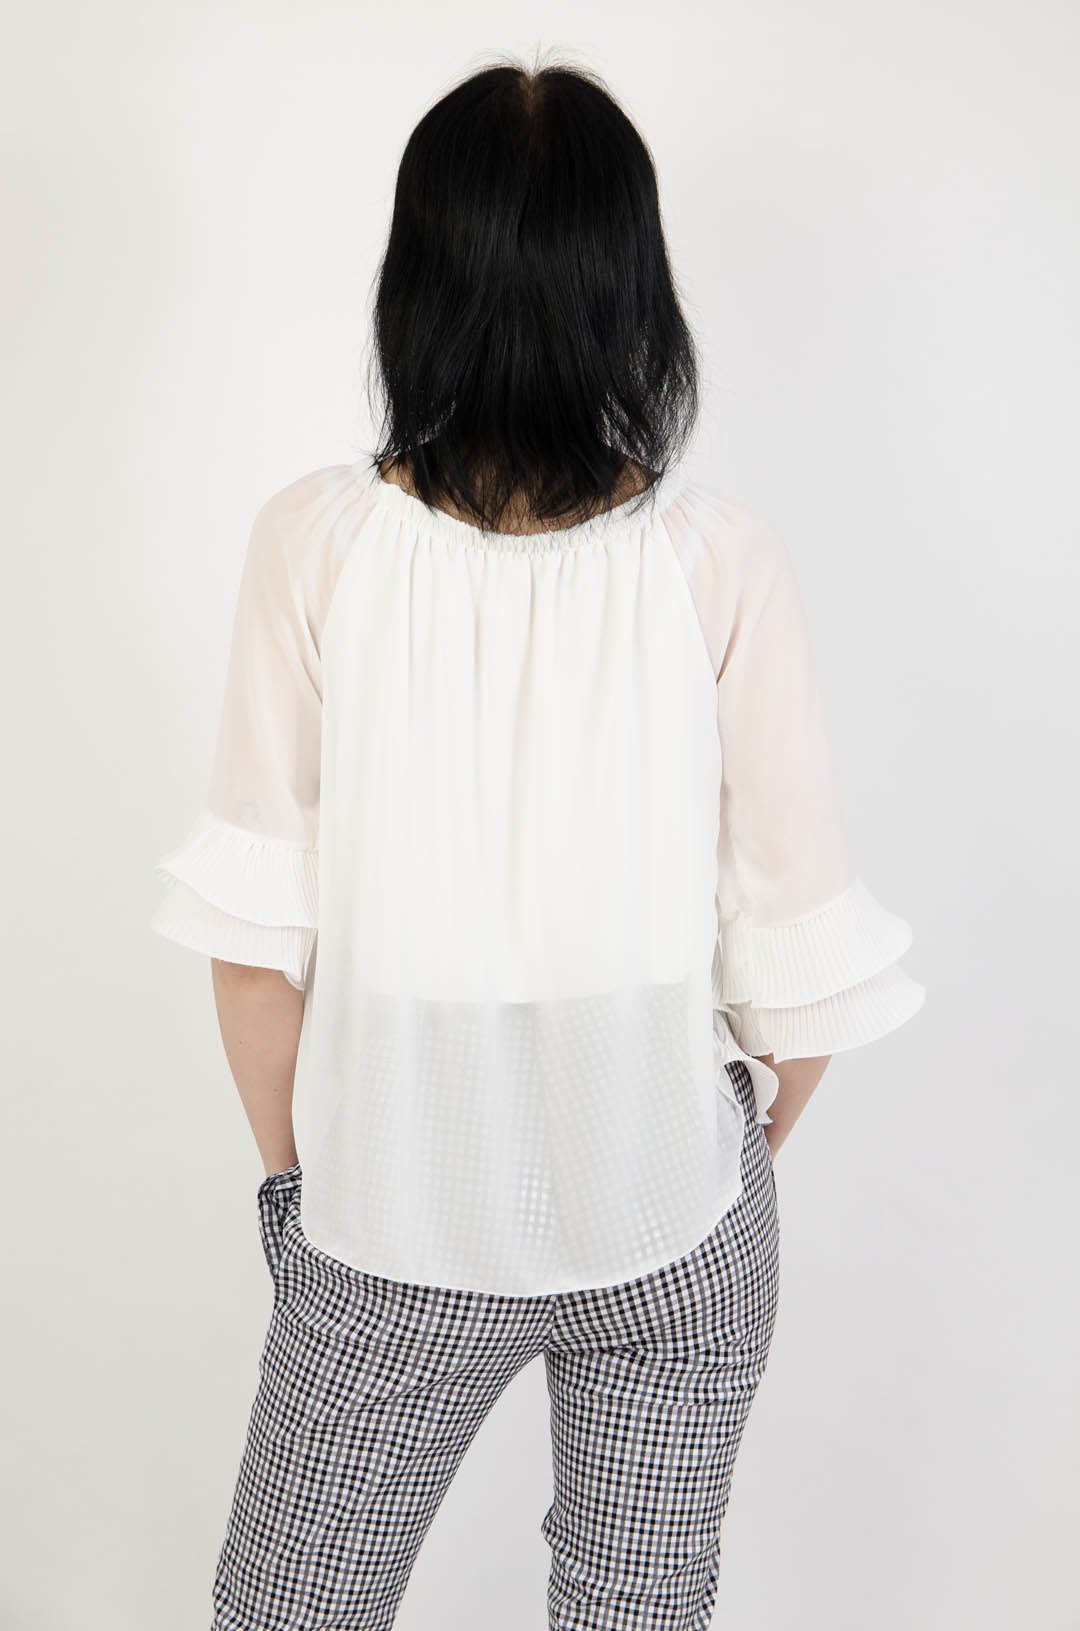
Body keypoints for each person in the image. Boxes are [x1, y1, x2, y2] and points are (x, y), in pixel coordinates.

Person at [150, 56, 925, 1631]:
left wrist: (302, 1196)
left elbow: (250, 950)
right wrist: (704, 1163)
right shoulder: (716, 560)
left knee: (287, 1612)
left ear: (418, 283)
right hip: (672, 1228)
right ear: (629, 288)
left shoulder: (317, 543)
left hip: (390, 1224)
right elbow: (800, 972)